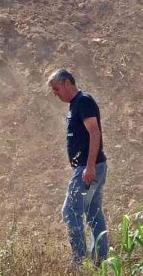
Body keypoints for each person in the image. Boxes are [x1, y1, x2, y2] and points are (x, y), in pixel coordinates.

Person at [48, 69, 108, 264]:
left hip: (89, 168)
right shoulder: (78, 104)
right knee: (93, 211)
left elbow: (94, 133)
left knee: (70, 211)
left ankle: (79, 261)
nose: (55, 94)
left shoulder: (83, 102)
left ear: (67, 83)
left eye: (57, 89)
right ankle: (100, 260)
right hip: (92, 166)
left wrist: (89, 166)